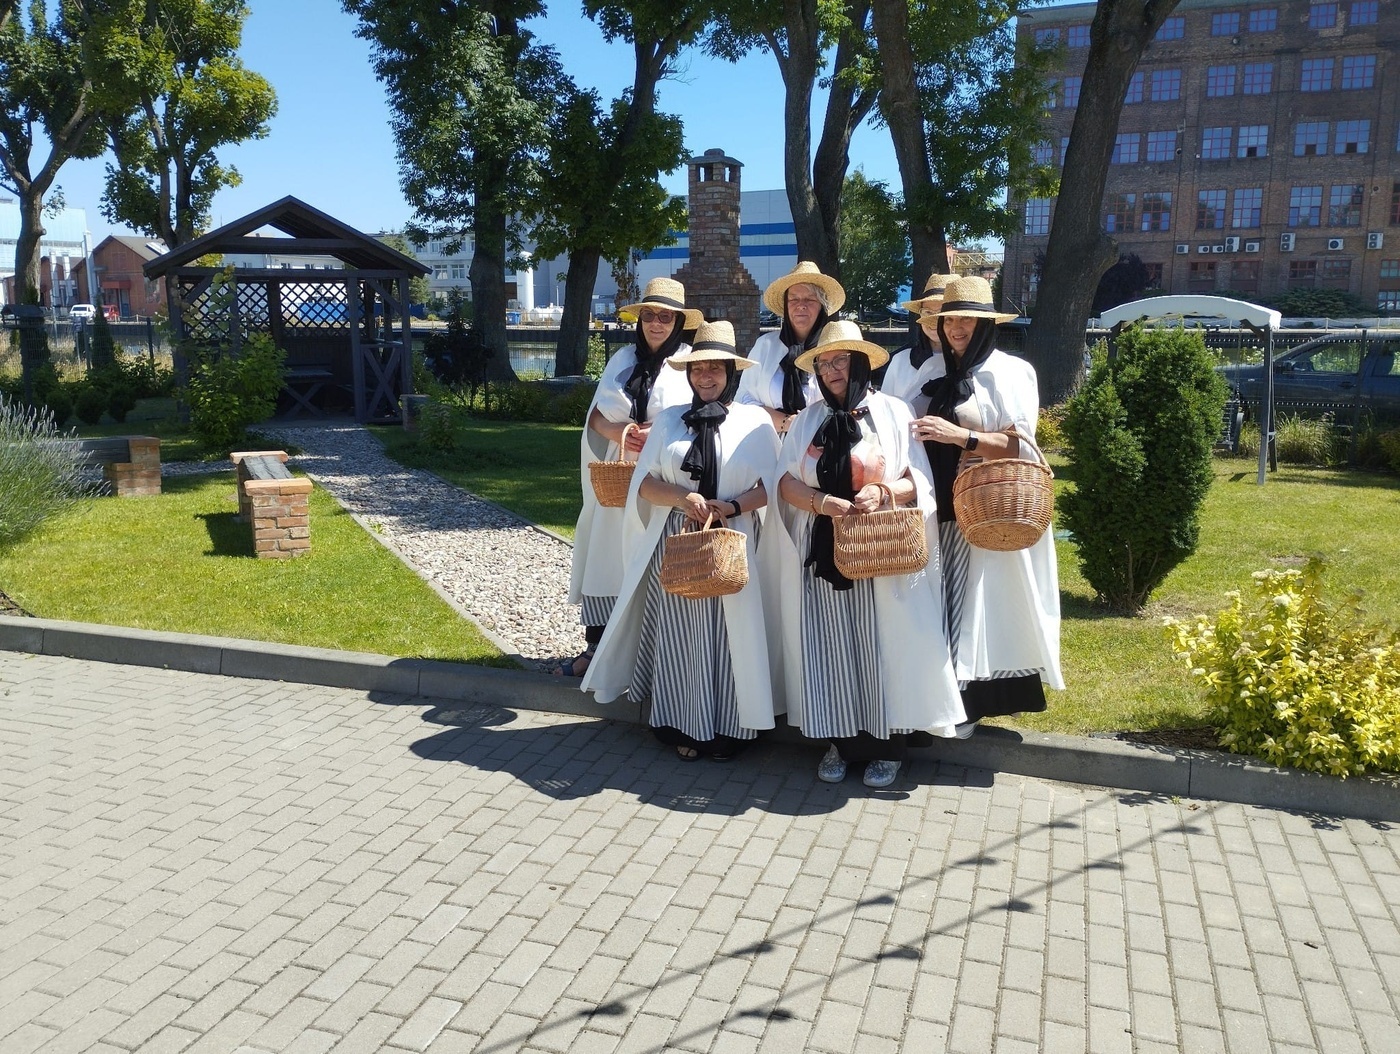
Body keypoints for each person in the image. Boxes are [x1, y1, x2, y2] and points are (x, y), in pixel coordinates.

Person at [769, 320, 963, 789]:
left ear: (860, 364)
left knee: (884, 645)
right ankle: (840, 742)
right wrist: (822, 503)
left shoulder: (893, 413)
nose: (833, 370)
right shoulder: (807, 420)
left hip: (882, 548)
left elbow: (919, 478)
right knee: (831, 646)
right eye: (825, 362)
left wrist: (881, 490)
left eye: (842, 361)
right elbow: (785, 482)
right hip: (824, 549)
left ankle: (888, 746)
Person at [582, 320, 782, 761]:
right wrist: (682, 497)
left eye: (715, 368)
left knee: (734, 634)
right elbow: (644, 483)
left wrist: (730, 507)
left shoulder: (756, 424)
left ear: (732, 372)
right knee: (682, 635)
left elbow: (773, 487)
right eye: (697, 369)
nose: (706, 376)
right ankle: (681, 720)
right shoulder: (671, 420)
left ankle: (732, 725)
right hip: (675, 537)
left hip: (734, 539)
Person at [908, 275, 1064, 735]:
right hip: (936, 504)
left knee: (978, 601)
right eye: (950, 319)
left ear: (987, 325)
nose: (957, 329)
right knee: (938, 601)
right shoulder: (930, 372)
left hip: (985, 505)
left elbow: (1022, 446)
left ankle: (972, 703)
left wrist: (963, 437)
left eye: (968, 321)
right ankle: (938, 699)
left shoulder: (1010, 372)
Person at [562, 277, 702, 677]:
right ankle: (598, 645)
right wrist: (622, 433)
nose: (656, 323)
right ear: (640, 320)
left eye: (665, 316)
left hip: (660, 473)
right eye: (649, 316)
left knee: (650, 553)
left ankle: (651, 650)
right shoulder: (622, 359)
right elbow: (595, 416)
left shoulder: (690, 361)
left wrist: (655, 434)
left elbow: (699, 417)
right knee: (607, 552)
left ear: (678, 322)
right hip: (618, 468)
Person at [737, 261, 845, 438]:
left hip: (823, 445)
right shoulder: (765, 346)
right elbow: (744, 398)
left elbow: (852, 398)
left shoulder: (835, 348)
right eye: (794, 299)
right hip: (769, 445)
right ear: (786, 306)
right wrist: (787, 423)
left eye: (810, 299)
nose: (801, 305)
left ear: (822, 306)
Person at [880, 273, 956, 403]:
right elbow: (885, 411)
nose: (933, 320)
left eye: (941, 314)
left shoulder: (971, 363)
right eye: (927, 312)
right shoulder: (900, 361)